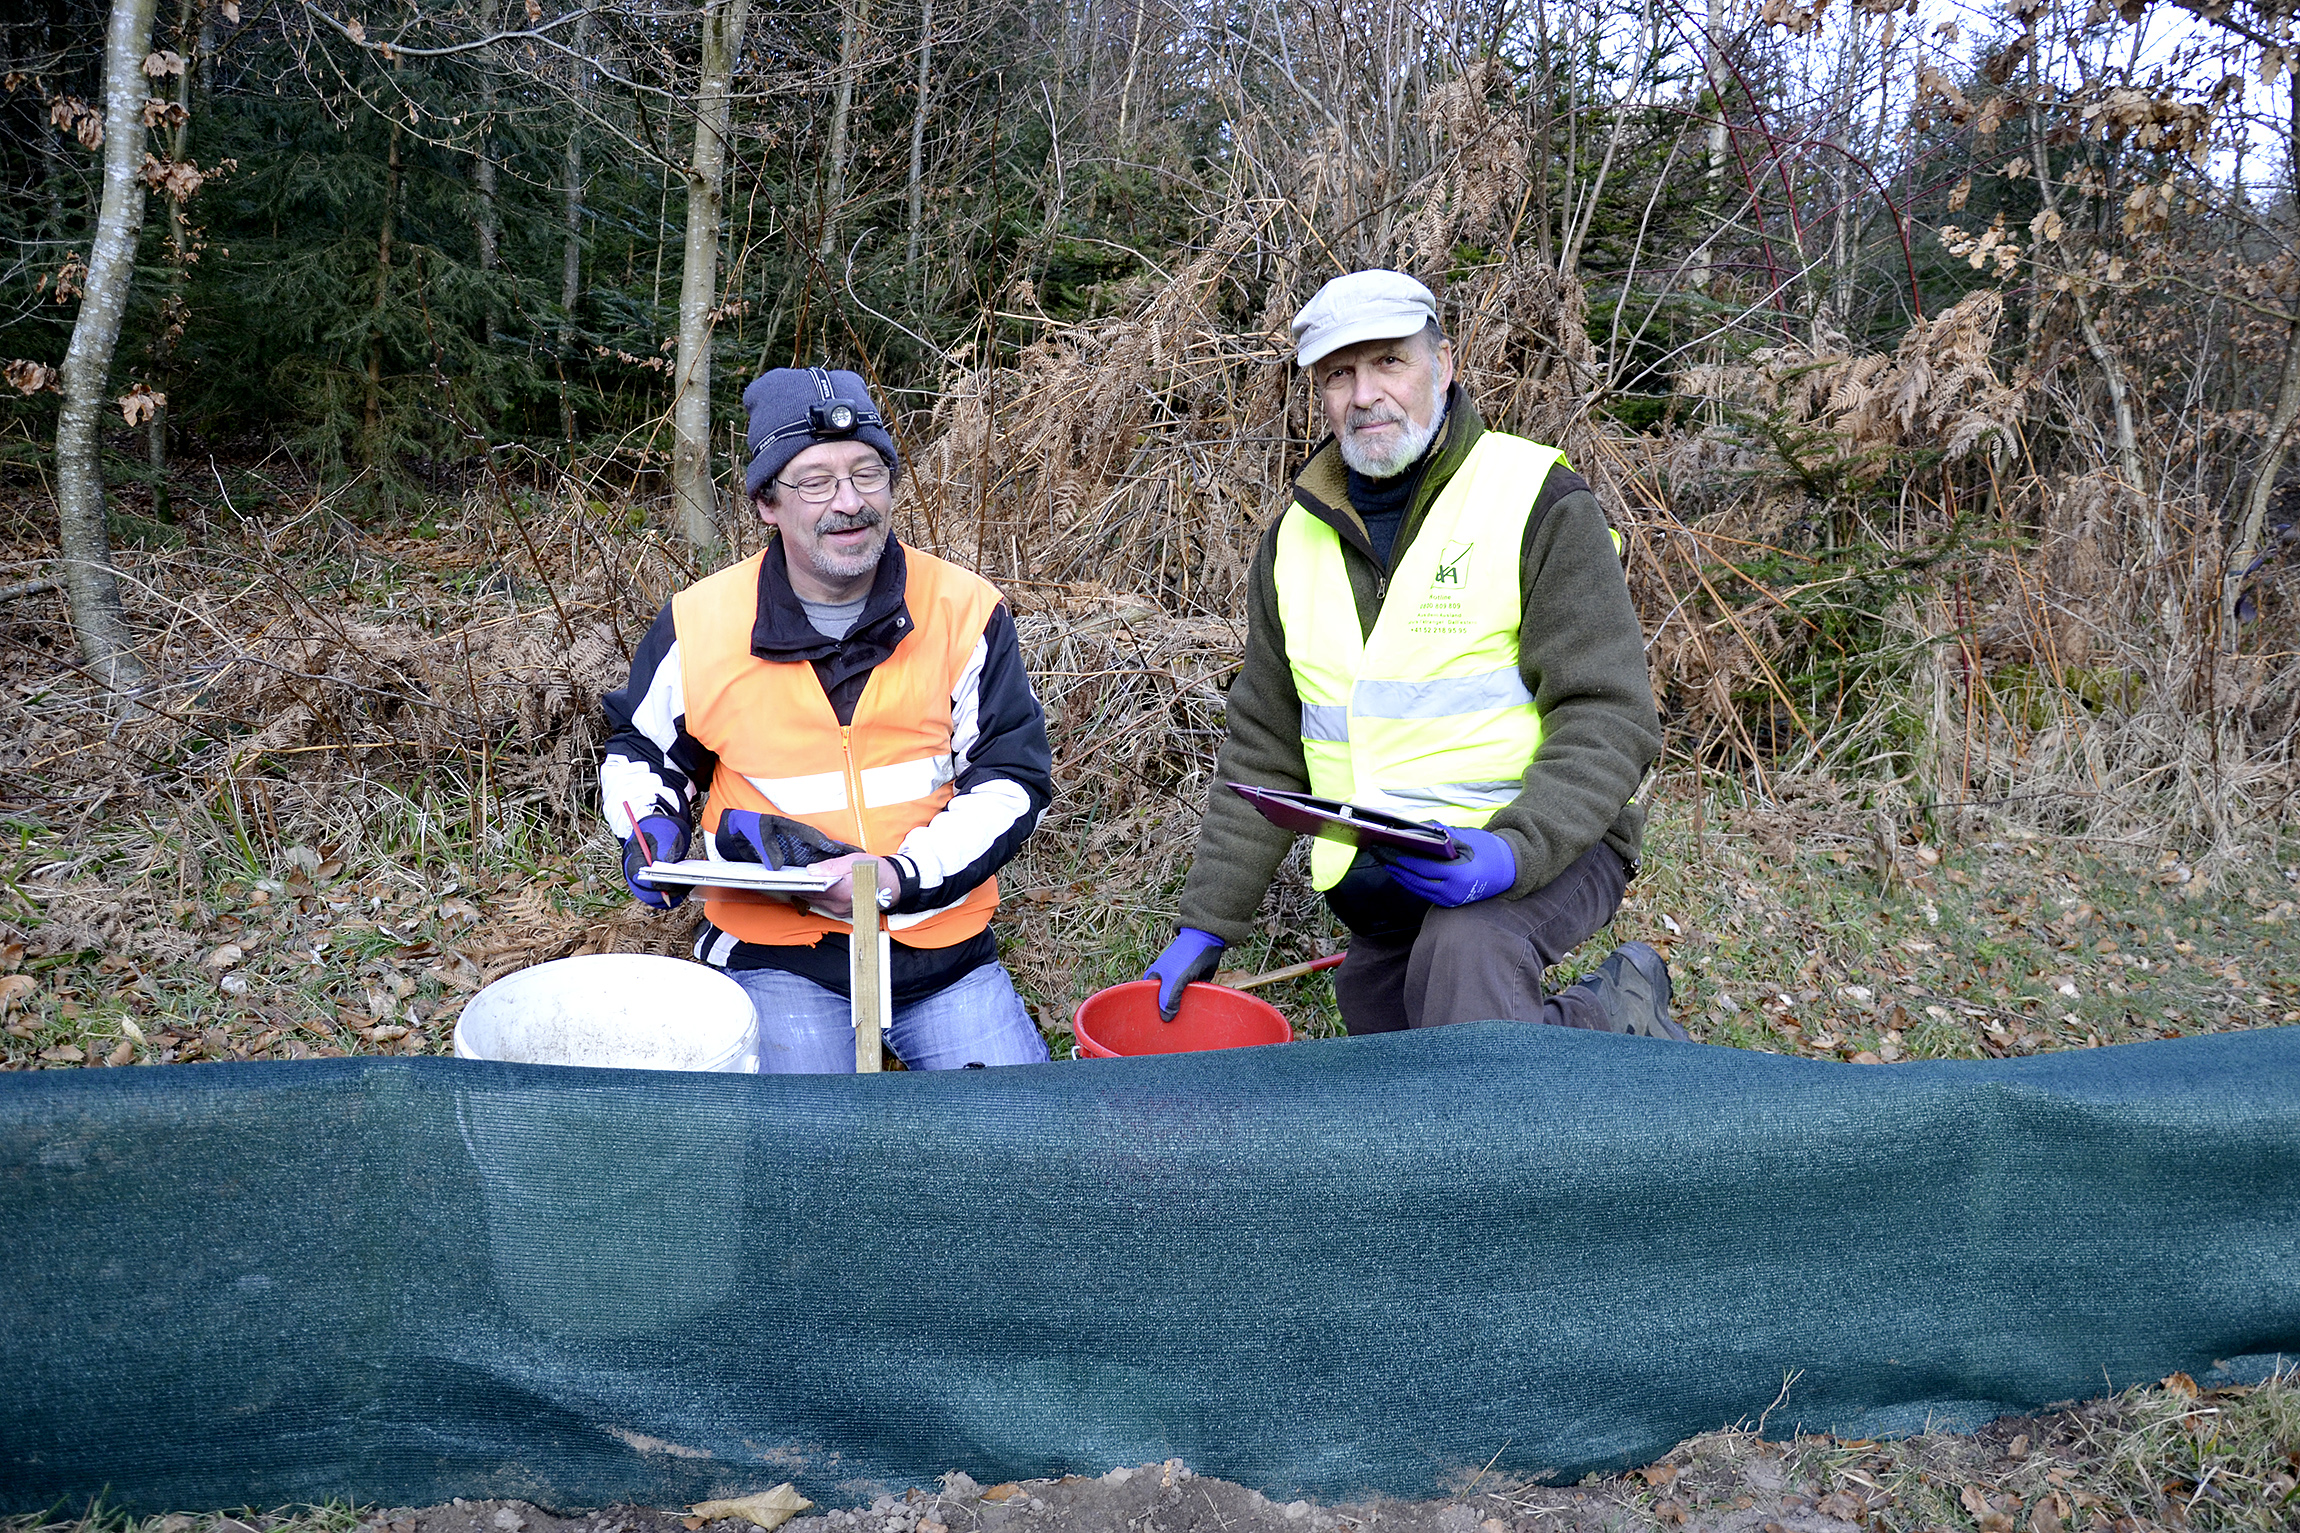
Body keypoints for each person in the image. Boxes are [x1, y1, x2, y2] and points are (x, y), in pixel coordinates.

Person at [1144, 270, 1683, 1039]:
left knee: (1467, 957)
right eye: (1339, 373)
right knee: (1393, 1046)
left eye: (1389, 362)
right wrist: (1206, 925)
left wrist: (1510, 850)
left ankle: (1510, 1157)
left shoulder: (1536, 499)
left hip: (1543, 845)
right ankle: (1616, 1019)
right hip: (1387, 882)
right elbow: (1262, 746)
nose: (1365, 395)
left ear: (1445, 364)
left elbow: (1612, 713)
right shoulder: (1290, 543)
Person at [599, 366, 1055, 1072]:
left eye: (868, 473)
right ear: (765, 503)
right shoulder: (700, 623)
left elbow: (1010, 779)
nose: (850, 502)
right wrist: (651, 826)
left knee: (1021, 1151)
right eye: (815, 481)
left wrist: (899, 875)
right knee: (804, 1156)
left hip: (940, 947)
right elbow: (645, 751)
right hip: (777, 952)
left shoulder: (967, 611)